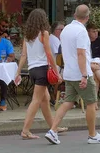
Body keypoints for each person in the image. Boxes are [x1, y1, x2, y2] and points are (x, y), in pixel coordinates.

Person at [45, 5, 100, 145]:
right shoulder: (81, 32)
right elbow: (81, 54)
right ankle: (92, 135)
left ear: (74, 15)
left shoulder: (66, 29)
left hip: (69, 72)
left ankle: (53, 130)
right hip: (80, 73)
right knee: (91, 103)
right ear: (87, 17)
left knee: (67, 102)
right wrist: (85, 75)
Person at [14, 8, 66, 140]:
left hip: (32, 70)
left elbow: (24, 55)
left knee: (45, 99)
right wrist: (56, 71)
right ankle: (25, 130)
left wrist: (18, 72)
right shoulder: (44, 34)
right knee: (36, 100)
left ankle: (53, 127)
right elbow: (49, 54)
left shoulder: (28, 35)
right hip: (43, 69)